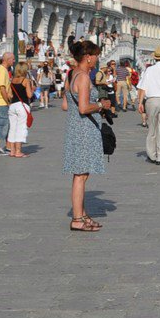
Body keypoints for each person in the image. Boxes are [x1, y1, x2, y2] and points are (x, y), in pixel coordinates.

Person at [63, 39, 113, 231]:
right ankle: (77, 219)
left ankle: (82, 214)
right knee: (80, 176)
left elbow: (66, 105)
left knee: (81, 174)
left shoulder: (71, 75)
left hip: (76, 128)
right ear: (88, 57)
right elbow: (83, 108)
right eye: (96, 55)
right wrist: (101, 105)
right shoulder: (83, 77)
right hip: (84, 130)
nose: (97, 59)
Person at [6, 62, 32, 157]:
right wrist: (32, 90)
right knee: (21, 128)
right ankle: (18, 151)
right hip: (22, 105)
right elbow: (29, 95)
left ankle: (12, 151)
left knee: (12, 128)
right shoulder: (25, 80)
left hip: (13, 106)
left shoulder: (12, 80)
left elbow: (10, 95)